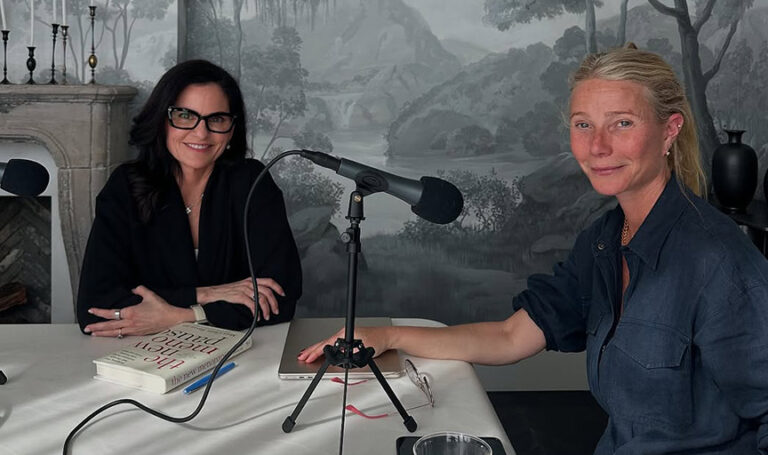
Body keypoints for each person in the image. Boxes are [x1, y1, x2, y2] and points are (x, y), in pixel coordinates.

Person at [299, 46, 768, 453]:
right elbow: (510, 337)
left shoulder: (718, 264)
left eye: (622, 123)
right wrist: (387, 336)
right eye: (583, 125)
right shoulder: (605, 240)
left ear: (669, 130)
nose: (598, 146)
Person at [77, 60, 302, 337]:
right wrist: (208, 294)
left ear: (232, 129)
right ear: (162, 121)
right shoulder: (125, 185)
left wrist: (183, 316)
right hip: (141, 351)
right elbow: (94, 306)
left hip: (241, 348)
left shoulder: (252, 182)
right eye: (185, 115)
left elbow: (280, 297)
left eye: (216, 119)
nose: (201, 133)